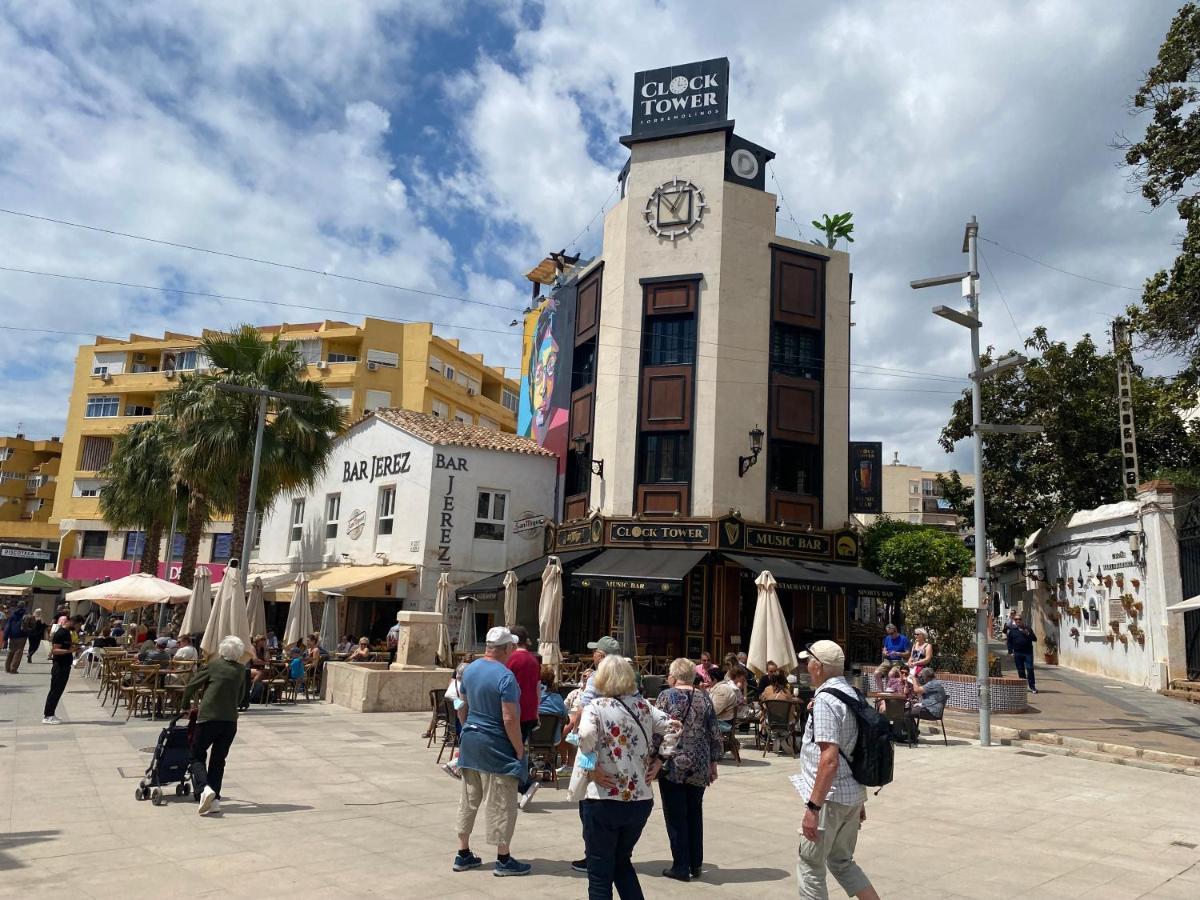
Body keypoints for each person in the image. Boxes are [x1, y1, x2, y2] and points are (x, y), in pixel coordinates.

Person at [577, 654, 680, 898]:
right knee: (621, 862)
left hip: (605, 796)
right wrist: (660, 760)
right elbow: (674, 726)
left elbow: (585, 735)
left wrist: (591, 765)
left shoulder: (596, 707)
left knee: (600, 872)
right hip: (639, 798)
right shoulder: (644, 706)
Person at [796, 640, 879, 900]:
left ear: (818, 666)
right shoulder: (854, 694)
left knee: (811, 866)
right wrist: (858, 796)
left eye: (808, 661)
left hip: (828, 800)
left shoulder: (825, 701)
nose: (806, 667)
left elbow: (829, 759)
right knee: (842, 861)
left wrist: (812, 809)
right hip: (851, 795)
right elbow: (857, 749)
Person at [453, 626, 531, 877]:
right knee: (501, 801)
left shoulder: (470, 669)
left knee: (469, 798)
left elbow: (459, 704)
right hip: (496, 744)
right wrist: (519, 749)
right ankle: (503, 857)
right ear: (507, 648)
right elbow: (509, 718)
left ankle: (463, 852)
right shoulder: (505, 677)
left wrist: (466, 728)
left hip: (471, 741)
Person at [654, 656, 720, 882]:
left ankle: (681, 866)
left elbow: (657, 730)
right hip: (699, 762)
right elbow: (714, 732)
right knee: (695, 812)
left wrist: (652, 758)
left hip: (673, 762)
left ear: (674, 676)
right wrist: (713, 763)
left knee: (675, 815)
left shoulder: (666, 696)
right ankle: (696, 863)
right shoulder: (705, 698)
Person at [182, 634, 248, 815]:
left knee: (196, 755)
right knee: (218, 761)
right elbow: (242, 697)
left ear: (222, 650)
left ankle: (205, 788)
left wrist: (184, 706)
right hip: (230, 721)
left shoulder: (213, 666)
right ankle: (215, 800)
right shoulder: (241, 670)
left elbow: (191, 686)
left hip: (209, 718)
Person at [505, 625, 542, 810]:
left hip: (514, 710)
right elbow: (537, 688)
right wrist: (536, 711)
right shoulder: (534, 660)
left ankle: (524, 784)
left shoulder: (510, 659)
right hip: (529, 712)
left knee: (511, 751)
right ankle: (521, 785)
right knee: (518, 749)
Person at [42, 615, 81, 724]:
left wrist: (74, 647)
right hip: (59, 666)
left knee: (58, 691)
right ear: (73, 622)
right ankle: (48, 715)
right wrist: (69, 651)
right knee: (55, 690)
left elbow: (65, 646)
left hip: (65, 666)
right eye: (78, 625)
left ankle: (51, 713)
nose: (78, 628)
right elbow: (55, 650)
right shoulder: (61, 633)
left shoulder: (67, 633)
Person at [906, 668, 948, 743]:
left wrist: (913, 679)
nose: (921, 678)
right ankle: (914, 734)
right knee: (908, 709)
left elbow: (916, 690)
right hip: (930, 708)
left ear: (927, 676)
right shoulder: (934, 683)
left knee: (906, 712)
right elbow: (920, 694)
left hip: (932, 711)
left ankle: (912, 735)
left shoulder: (932, 684)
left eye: (922, 676)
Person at [1004, 612, 1039, 693]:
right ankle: (1023, 686)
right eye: (1016, 619)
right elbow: (1009, 642)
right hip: (1017, 653)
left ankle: (1032, 686)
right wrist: (1010, 651)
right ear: (1014, 621)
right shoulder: (1012, 631)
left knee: (1030, 669)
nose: (1018, 621)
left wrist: (1028, 633)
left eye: (1019, 619)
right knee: (1021, 670)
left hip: (1028, 653)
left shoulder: (1027, 628)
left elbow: (1035, 639)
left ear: (1022, 620)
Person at [537, 665, 568, 742]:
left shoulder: (530, 697)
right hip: (553, 739)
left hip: (531, 738)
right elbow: (566, 718)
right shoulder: (557, 698)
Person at [4, 603, 28, 673]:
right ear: (24, 606)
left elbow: (8, 626)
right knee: (18, 652)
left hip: (12, 636)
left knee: (11, 651)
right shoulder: (26, 615)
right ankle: (13, 669)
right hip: (22, 636)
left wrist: (5, 637)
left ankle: (7, 668)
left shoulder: (12, 615)